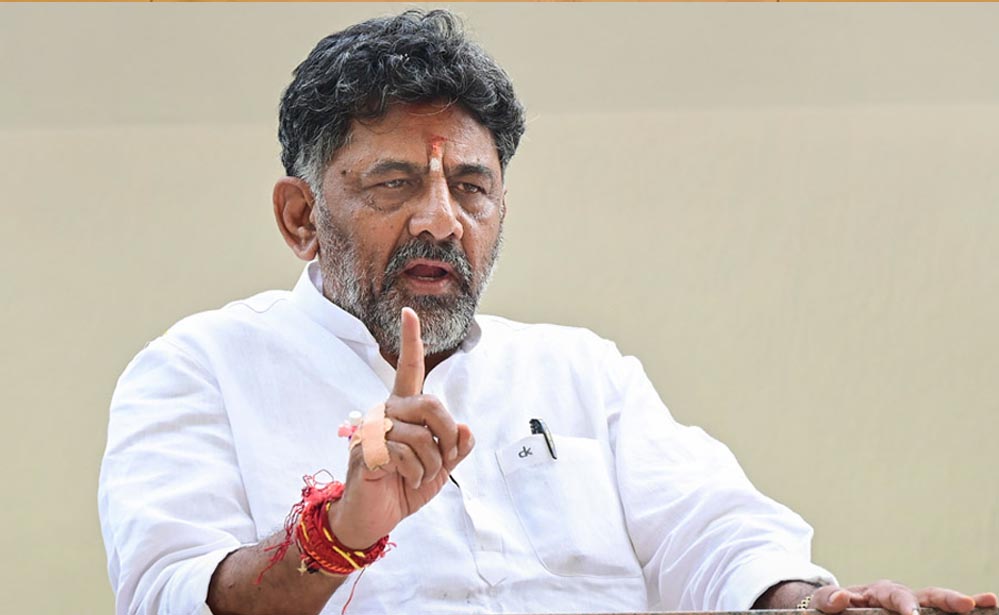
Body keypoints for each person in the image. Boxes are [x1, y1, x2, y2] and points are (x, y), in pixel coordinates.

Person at [98, 9, 996, 615]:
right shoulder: (200, 368)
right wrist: (339, 534)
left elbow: (713, 530)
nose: (441, 219)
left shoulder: (580, 371)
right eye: (394, 183)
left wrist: (807, 603)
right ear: (301, 217)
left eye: (471, 186)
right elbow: (168, 594)